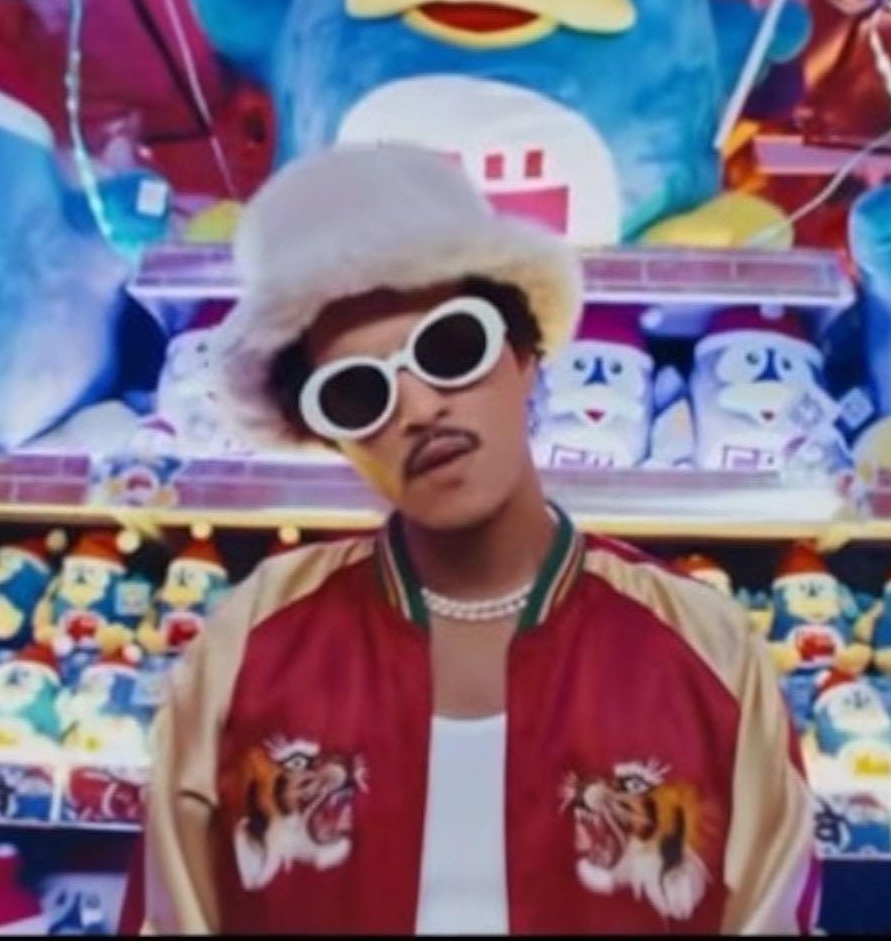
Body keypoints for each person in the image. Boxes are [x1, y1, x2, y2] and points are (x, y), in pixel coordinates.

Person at [128, 144, 819, 935]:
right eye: (355, 394)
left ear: (526, 353)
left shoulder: (703, 648)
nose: (420, 408)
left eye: (450, 349)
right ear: (328, 438)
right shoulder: (250, 645)